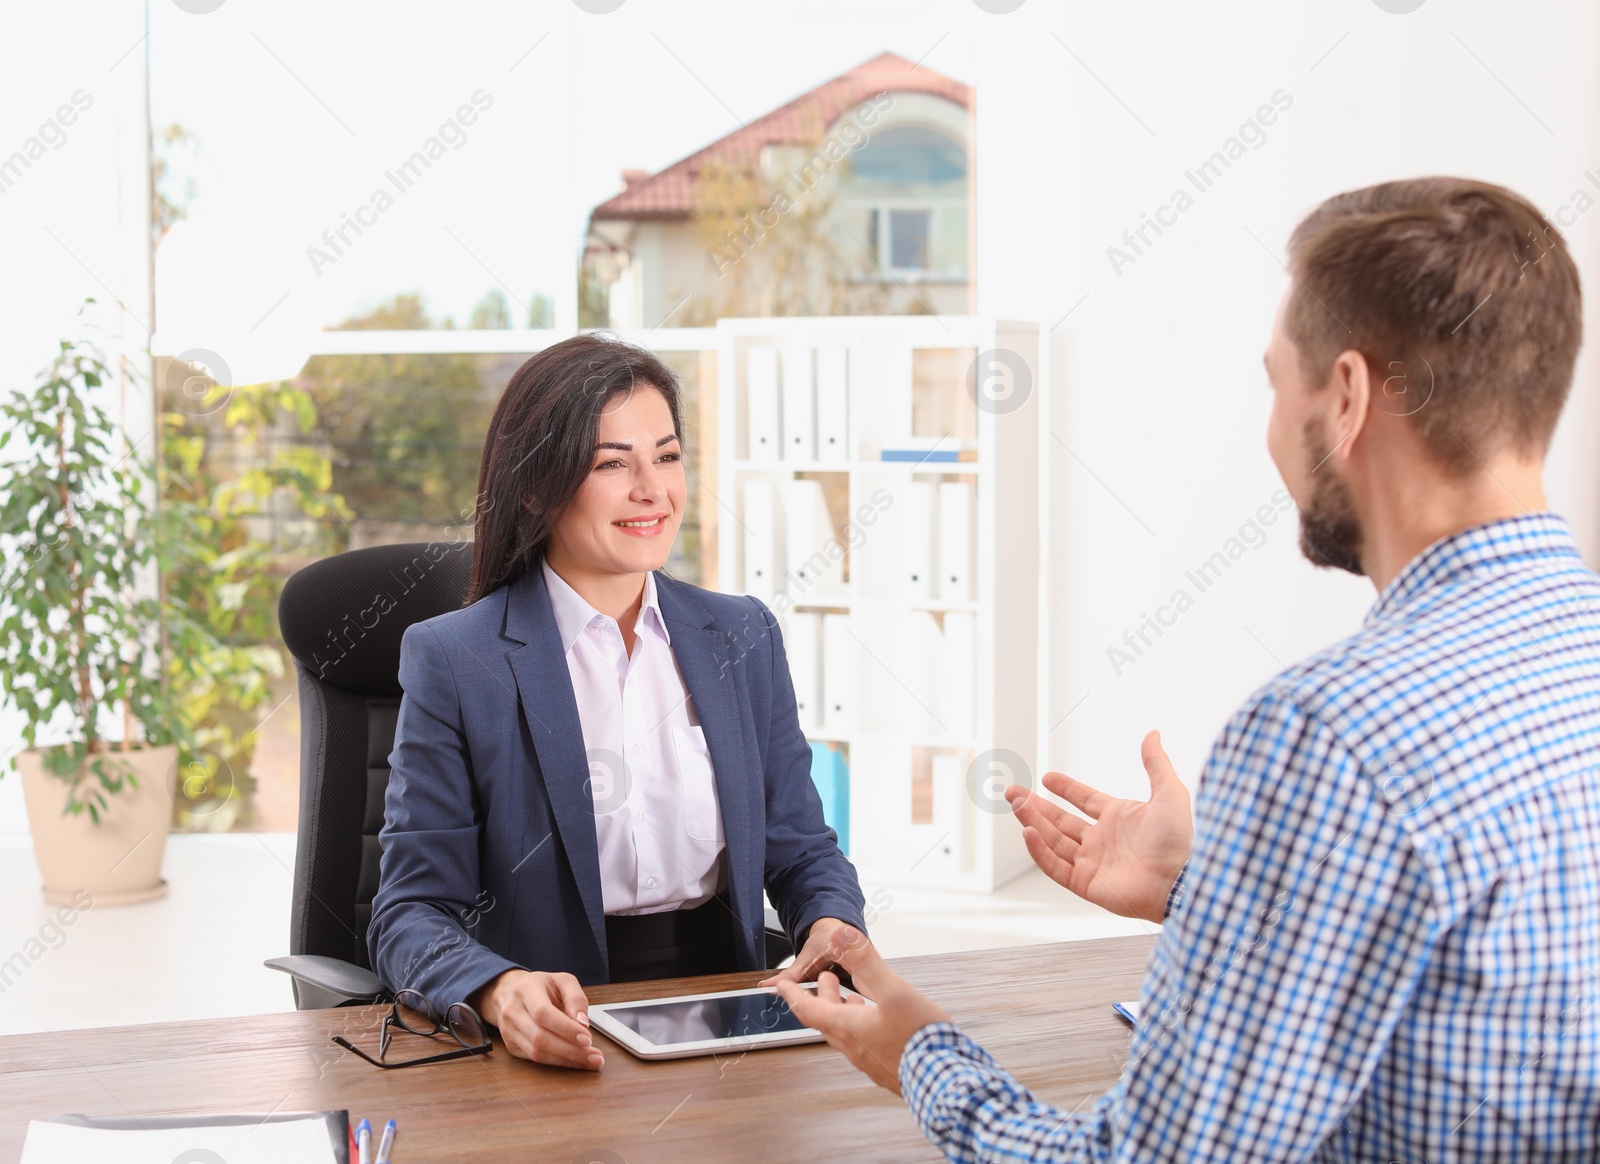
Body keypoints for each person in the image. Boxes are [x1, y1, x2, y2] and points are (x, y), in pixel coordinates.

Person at [776, 176, 1600, 1160]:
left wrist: (921, 1050)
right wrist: (1205, 888)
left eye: (1273, 382)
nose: (1268, 428)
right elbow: (1476, 993)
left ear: (1343, 397)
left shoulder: (1328, 731)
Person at [368, 333, 867, 1069]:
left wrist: (829, 921)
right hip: (556, 1037)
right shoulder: (457, 661)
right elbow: (407, 915)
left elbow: (801, 849)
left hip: (728, 1026)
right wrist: (498, 991)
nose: (653, 490)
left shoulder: (743, 636)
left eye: (667, 457)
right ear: (536, 486)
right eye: (612, 464)